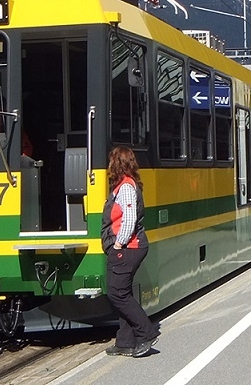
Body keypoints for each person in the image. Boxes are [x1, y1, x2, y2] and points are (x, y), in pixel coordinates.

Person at [101, 146, 159, 358]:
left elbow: (129, 218)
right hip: (130, 246)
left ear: (116, 164)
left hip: (128, 247)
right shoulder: (124, 185)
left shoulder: (125, 186)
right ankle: (125, 341)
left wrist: (118, 244)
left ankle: (146, 333)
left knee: (117, 294)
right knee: (123, 292)